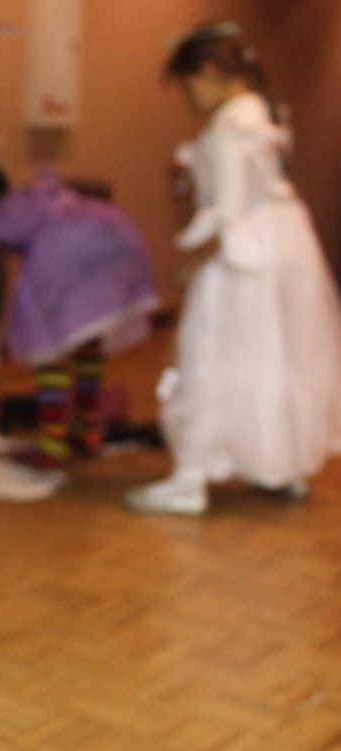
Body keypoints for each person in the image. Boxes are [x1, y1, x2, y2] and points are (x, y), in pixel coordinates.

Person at [127, 22, 341, 514]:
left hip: (244, 254)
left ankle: (191, 475)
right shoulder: (264, 114)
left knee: (214, 355)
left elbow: (228, 211)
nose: (190, 100)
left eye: (187, 87)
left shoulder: (228, 126)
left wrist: (191, 266)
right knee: (277, 354)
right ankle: (278, 465)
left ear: (208, 73)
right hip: (288, 244)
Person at [0, 150, 159, 470]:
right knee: (89, 338)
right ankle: (86, 429)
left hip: (62, 254)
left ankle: (52, 442)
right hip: (114, 233)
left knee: (47, 349)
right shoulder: (33, 194)